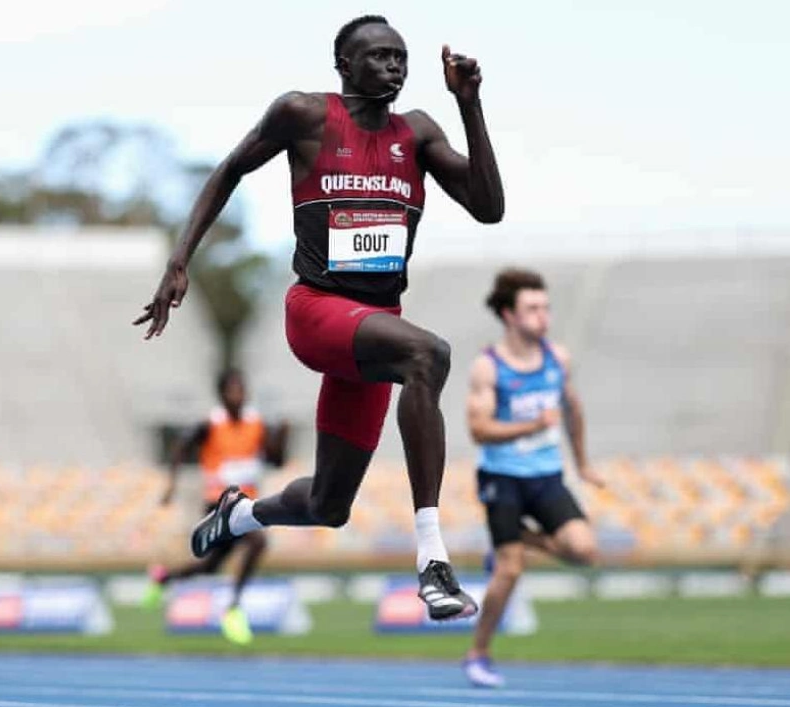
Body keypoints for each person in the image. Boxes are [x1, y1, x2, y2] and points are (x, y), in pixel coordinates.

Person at [134, 14, 503, 618]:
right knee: (428, 355)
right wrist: (180, 261)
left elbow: (488, 207)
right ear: (345, 66)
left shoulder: (419, 133)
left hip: (375, 325)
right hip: (318, 312)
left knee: (330, 505)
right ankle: (433, 561)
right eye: (380, 56)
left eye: (401, 58)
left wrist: (470, 106)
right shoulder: (303, 115)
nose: (394, 67)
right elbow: (229, 169)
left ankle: (240, 513)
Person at [462, 268, 601, 687]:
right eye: (533, 308)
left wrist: (583, 464)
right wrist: (532, 425)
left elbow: (572, 410)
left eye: (546, 307)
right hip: (501, 478)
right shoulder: (488, 368)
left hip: (546, 475)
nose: (544, 316)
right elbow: (479, 430)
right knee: (510, 572)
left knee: (584, 551)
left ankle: (517, 537)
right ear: (508, 314)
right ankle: (478, 655)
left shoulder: (558, 358)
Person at [142, 369, 287, 645]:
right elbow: (181, 447)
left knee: (210, 567)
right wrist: (171, 482)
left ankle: (163, 578)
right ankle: (233, 608)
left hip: (246, 503)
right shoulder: (210, 424)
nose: (238, 395)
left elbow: (276, 461)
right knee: (258, 543)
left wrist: (282, 436)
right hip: (217, 503)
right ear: (222, 395)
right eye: (232, 390)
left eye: (241, 389)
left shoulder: (256, 423)